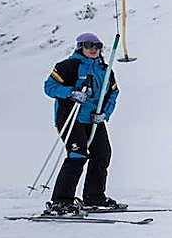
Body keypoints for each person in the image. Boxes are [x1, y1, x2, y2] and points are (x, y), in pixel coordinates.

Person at [42, 32, 124, 214]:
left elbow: (113, 93)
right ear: (80, 47)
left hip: (94, 119)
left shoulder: (105, 70)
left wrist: (104, 114)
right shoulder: (68, 66)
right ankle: (61, 201)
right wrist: (71, 93)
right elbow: (49, 87)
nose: (94, 49)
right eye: (88, 45)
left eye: (97, 46)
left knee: (102, 154)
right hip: (71, 118)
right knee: (77, 155)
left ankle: (94, 198)